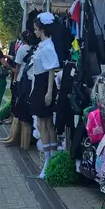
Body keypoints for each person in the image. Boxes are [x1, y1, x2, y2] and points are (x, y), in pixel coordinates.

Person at [28, 12, 61, 179]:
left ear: (42, 29)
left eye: (36, 29)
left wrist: (49, 92)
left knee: (45, 123)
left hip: (44, 84)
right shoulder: (43, 45)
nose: (34, 32)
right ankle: (49, 159)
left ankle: (49, 160)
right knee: (43, 123)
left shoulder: (48, 47)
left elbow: (51, 70)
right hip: (39, 83)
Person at [0, 31, 36, 147]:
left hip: (21, 81)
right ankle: (15, 138)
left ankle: (15, 139)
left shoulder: (22, 49)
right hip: (29, 81)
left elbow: (17, 66)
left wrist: (14, 79)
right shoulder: (34, 49)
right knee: (21, 114)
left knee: (19, 112)